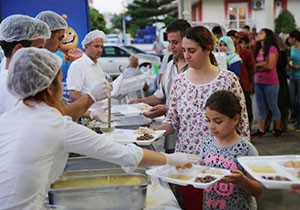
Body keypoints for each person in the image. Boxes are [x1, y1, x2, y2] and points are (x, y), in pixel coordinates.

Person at [0, 47, 198, 209]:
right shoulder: (56, 125)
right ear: (50, 88)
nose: (64, 87)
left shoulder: (8, 119)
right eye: (61, 81)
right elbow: (124, 155)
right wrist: (170, 159)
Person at [155, 26, 250, 210]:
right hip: (187, 164)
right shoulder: (179, 82)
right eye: (184, 50)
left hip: (221, 164)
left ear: (207, 49)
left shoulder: (228, 79)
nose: (187, 56)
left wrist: (244, 163)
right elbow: (172, 119)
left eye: (192, 50)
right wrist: (155, 132)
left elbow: (243, 124)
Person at [0, 14, 110, 122]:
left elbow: (55, 109)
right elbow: (49, 120)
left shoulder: (23, 75)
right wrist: (90, 98)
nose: (61, 44)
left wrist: (90, 113)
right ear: (18, 49)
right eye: (39, 48)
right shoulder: (13, 86)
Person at [129, 19, 191, 154]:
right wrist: (141, 102)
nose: (171, 47)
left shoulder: (196, 68)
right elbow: (160, 94)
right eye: (169, 42)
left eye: (175, 42)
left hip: (191, 139)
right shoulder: (170, 66)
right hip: (170, 134)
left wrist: (166, 109)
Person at [200, 90, 263, 210]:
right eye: (208, 120)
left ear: (235, 119)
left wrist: (242, 180)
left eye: (218, 121)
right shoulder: (207, 143)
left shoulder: (247, 150)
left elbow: (258, 190)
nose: (211, 126)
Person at [66, 30, 110, 121]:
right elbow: (73, 94)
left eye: (101, 47)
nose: (100, 50)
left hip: (103, 112)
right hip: (88, 115)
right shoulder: (77, 65)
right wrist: (92, 102)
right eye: (96, 46)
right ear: (86, 46)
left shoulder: (98, 64)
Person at [251, 28, 282, 138]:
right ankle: (261, 129)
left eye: (261, 33)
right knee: (261, 107)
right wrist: (261, 64)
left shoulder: (272, 49)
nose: (258, 35)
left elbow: (270, 65)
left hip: (270, 82)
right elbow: (255, 64)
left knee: (273, 105)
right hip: (258, 81)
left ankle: (278, 128)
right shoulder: (258, 49)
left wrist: (258, 66)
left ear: (267, 36)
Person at [287, 30, 300, 131]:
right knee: (291, 99)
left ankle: (299, 121)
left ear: (294, 38)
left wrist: (297, 67)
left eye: (290, 38)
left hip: (299, 75)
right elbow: (290, 59)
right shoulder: (291, 48)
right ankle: (295, 116)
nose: (289, 40)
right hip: (292, 76)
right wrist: (290, 63)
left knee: (298, 100)